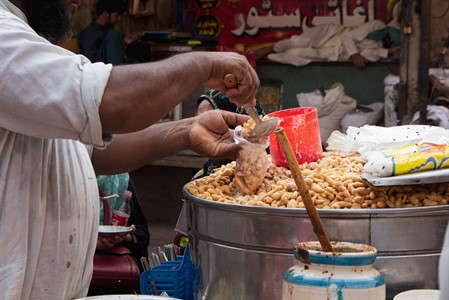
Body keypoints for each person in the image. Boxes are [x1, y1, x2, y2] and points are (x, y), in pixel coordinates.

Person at [0, 0, 260, 299]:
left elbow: (92, 152)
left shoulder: (28, 42)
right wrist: (205, 65)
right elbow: (113, 103)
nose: (81, 2)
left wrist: (187, 131)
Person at [77, 0, 137, 65]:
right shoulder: (88, 33)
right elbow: (91, 61)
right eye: (116, 15)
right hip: (98, 67)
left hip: (112, 64)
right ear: (106, 14)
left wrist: (123, 41)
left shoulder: (108, 29)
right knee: (113, 34)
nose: (118, 19)